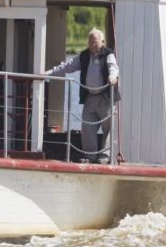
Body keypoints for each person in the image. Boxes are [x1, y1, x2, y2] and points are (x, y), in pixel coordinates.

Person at [45, 28, 120, 164]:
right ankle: (90, 157)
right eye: (90, 41)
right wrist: (48, 73)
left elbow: (113, 67)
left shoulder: (108, 54)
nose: (92, 44)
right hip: (90, 97)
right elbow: (67, 66)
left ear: (102, 42)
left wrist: (112, 76)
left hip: (106, 97)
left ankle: (104, 157)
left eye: (95, 41)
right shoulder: (84, 56)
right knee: (87, 127)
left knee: (109, 127)